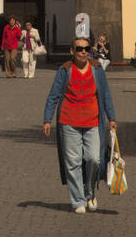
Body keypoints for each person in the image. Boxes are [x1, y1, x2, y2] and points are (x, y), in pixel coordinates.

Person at [43, 37, 117, 214]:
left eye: (86, 49)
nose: (83, 52)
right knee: (73, 162)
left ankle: (89, 193)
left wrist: (111, 118)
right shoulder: (65, 70)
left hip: (92, 121)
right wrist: (47, 119)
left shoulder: (97, 69)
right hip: (69, 122)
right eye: (79, 49)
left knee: (94, 158)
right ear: (72, 51)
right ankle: (78, 201)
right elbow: (53, 95)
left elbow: (105, 94)